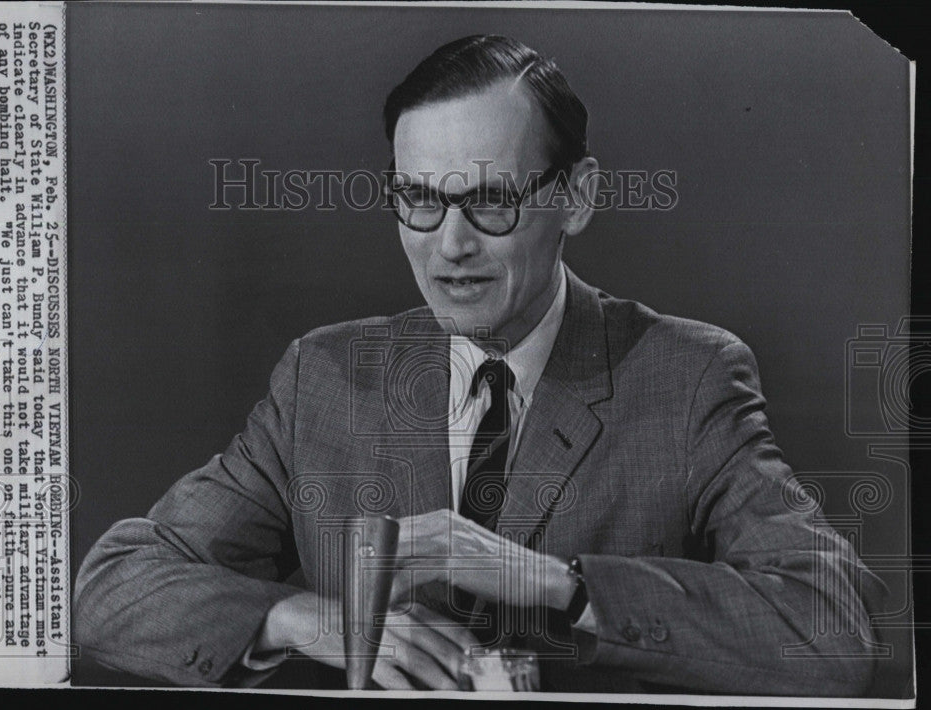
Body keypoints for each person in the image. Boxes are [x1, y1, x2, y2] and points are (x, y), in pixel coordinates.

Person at [74, 35, 885, 694]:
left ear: (576, 196)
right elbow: (112, 587)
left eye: (492, 200)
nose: (450, 245)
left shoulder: (688, 378)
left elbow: (831, 630)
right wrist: (310, 622)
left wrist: (555, 584)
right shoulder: (323, 377)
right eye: (419, 198)